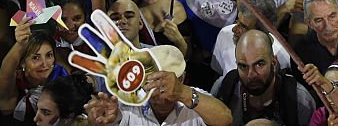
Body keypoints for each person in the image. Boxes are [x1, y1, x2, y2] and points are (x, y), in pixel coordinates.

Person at [84, 44, 232, 126]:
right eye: (150, 83)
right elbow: (115, 118)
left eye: (165, 84)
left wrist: (182, 93)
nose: (157, 93)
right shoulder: (129, 104)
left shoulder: (194, 99)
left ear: (182, 79)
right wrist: (101, 120)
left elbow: (225, 119)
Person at [211, 28, 317, 125]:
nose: (251, 74)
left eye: (259, 64)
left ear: (274, 63)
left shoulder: (300, 100)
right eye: (243, 66)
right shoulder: (224, 87)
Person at [0, 22, 69, 123]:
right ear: (22, 63)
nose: (44, 64)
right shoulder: (13, 88)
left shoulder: (62, 79)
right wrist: (20, 44)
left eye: (49, 55)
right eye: (35, 58)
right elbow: (6, 73)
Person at [211, 0, 291, 79]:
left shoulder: (283, 59)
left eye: (243, 27)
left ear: (263, 31)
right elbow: (218, 72)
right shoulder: (225, 34)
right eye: (237, 21)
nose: (234, 29)